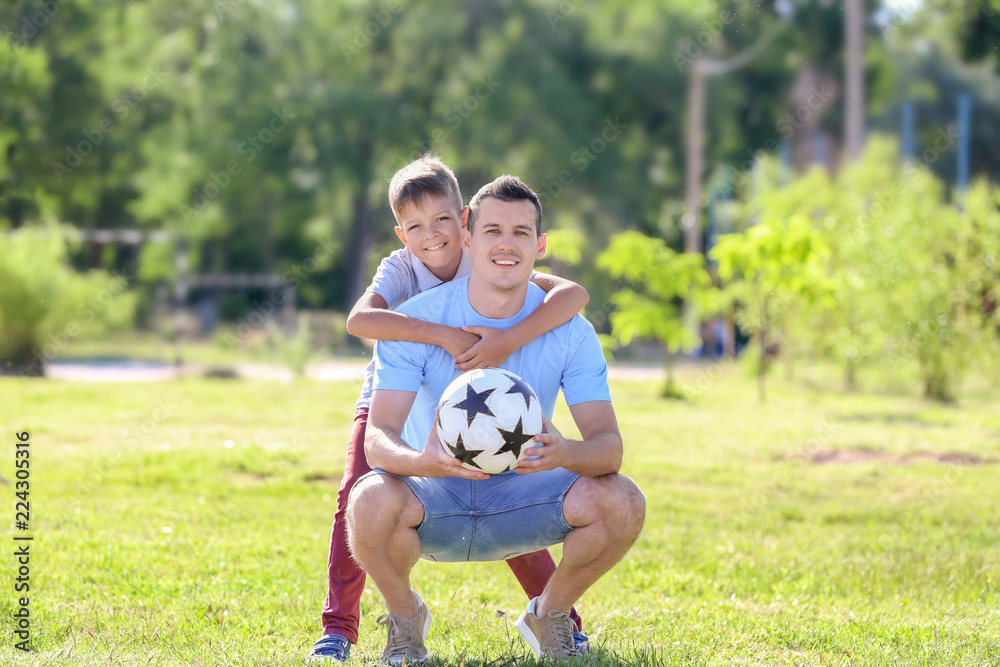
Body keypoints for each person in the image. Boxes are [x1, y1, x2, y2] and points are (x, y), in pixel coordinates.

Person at [346, 175, 646, 663]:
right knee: (369, 499)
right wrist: (425, 460)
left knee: (623, 500)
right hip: (434, 499)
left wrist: (567, 452)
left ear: (540, 245)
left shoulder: (571, 332)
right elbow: (377, 441)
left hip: (525, 495)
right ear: (468, 237)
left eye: (521, 233)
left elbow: (608, 448)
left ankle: (549, 614)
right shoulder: (416, 320)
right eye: (493, 232)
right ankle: (404, 622)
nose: (507, 245)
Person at [307, 157, 591, 663]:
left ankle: (560, 621)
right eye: (415, 226)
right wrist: (440, 333)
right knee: (358, 493)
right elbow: (358, 320)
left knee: (502, 489)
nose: (431, 235)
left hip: (476, 396)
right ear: (401, 234)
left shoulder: (482, 253)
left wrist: (509, 341)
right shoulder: (400, 268)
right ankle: (339, 629)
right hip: (395, 394)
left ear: (463, 221)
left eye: (442, 220)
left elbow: (573, 294)